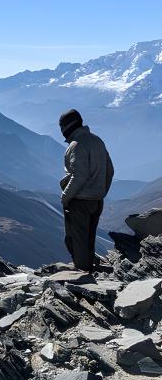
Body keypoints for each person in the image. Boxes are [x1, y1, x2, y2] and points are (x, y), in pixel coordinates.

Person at [58, 109, 114, 272]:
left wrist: (65, 196)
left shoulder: (76, 145)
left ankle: (83, 275)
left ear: (66, 126)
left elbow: (79, 175)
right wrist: (101, 192)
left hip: (80, 200)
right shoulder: (97, 141)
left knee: (77, 239)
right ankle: (89, 267)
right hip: (97, 200)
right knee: (89, 237)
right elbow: (110, 170)